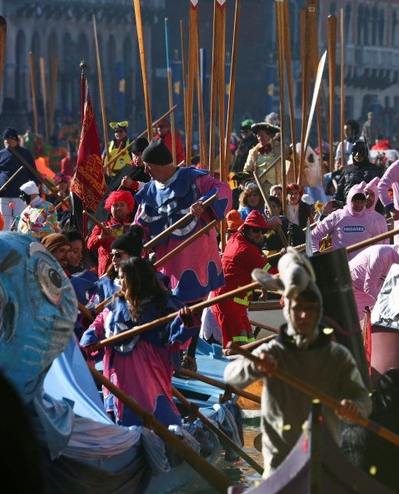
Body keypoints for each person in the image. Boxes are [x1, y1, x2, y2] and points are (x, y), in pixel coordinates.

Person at [224, 251, 371, 473]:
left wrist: (356, 408)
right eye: (297, 309)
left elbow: (363, 398)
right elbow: (231, 376)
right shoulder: (273, 351)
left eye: (309, 309)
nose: (303, 316)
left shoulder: (337, 356)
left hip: (323, 462)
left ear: (318, 311)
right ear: (288, 311)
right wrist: (256, 365)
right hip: (280, 465)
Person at [133, 138, 231, 372]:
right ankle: (170, 351)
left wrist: (204, 202)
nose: (145, 171)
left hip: (194, 253)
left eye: (148, 166)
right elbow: (140, 221)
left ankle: (189, 355)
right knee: (166, 302)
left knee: (192, 302)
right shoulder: (149, 190)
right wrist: (134, 241)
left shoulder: (194, 178)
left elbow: (223, 189)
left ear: (159, 164)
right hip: (165, 256)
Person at [80, 256, 198, 426]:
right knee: (122, 407)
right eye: (119, 277)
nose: (119, 281)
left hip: (150, 366)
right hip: (118, 369)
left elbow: (176, 339)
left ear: (135, 280)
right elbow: (99, 322)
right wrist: (89, 338)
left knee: (154, 405)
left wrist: (185, 322)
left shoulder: (162, 306)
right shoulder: (117, 302)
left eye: (123, 277)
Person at [206, 210, 279, 346]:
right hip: (228, 305)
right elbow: (272, 278)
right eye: (256, 231)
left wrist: (270, 224)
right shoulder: (246, 250)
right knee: (237, 348)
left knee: (249, 342)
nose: (260, 235)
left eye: (262, 232)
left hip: (236, 305)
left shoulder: (237, 236)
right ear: (247, 230)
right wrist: (290, 265)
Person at [349, 242, 399, 325]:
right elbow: (369, 287)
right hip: (350, 285)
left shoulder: (398, 260)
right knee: (363, 322)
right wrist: (386, 302)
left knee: (373, 319)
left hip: (364, 288)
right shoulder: (381, 256)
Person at [311, 182, 386, 259]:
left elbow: (378, 247)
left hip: (363, 268)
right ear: (349, 200)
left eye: (362, 202)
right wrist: (315, 253)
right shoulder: (337, 216)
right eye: (356, 201)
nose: (359, 205)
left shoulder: (371, 221)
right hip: (342, 267)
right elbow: (313, 236)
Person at [0, 127, 41, 231]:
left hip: (20, 195)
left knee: (21, 221)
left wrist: (34, 188)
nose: (8, 141)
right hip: (3, 194)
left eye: (10, 138)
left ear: (16, 140)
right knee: (4, 222)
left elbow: (33, 173)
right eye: (6, 139)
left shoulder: (25, 154)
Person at [87, 190, 135, 276]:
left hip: (129, 271)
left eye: (122, 205)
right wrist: (100, 237)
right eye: (115, 205)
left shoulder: (134, 227)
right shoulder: (102, 226)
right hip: (107, 273)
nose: (118, 208)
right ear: (110, 208)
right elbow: (89, 245)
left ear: (128, 208)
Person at [332, 138, 383, 208]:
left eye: (361, 151)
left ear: (366, 153)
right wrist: (334, 206)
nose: (358, 154)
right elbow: (339, 193)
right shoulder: (346, 171)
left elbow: (379, 194)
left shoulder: (373, 170)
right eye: (355, 151)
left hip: (368, 212)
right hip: (347, 210)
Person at [243, 121, 282, 195]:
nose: (260, 138)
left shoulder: (280, 148)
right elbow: (247, 169)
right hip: (260, 187)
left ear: (269, 135)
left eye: (262, 135)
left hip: (277, 186)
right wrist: (247, 180)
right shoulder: (253, 152)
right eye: (258, 136)